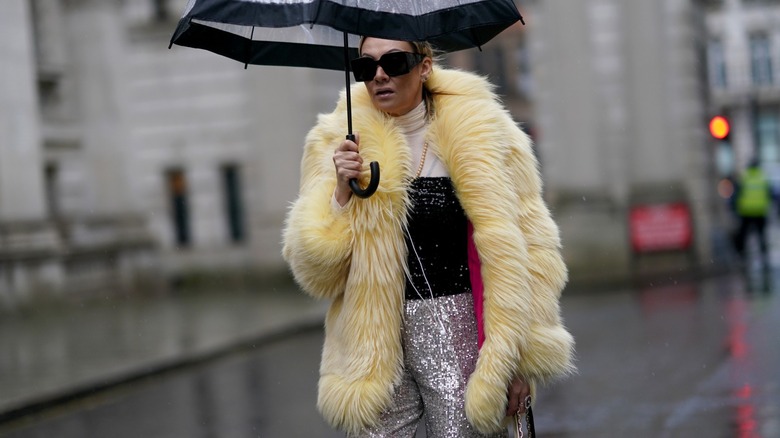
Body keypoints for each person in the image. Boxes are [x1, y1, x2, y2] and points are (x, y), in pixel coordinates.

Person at [282, 37, 575, 437]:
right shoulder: (336, 140)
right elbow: (318, 274)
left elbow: (534, 250)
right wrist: (340, 193)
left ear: (424, 66)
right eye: (366, 68)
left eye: (394, 62)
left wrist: (520, 360)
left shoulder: (483, 133)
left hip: (455, 330)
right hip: (371, 342)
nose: (380, 75)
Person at [734, 159, 772, 266]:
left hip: (747, 211)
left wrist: (736, 208)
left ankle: (741, 252)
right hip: (760, 211)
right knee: (761, 234)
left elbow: (737, 194)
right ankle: (764, 253)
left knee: (744, 233)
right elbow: (769, 194)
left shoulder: (744, 178)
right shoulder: (763, 177)